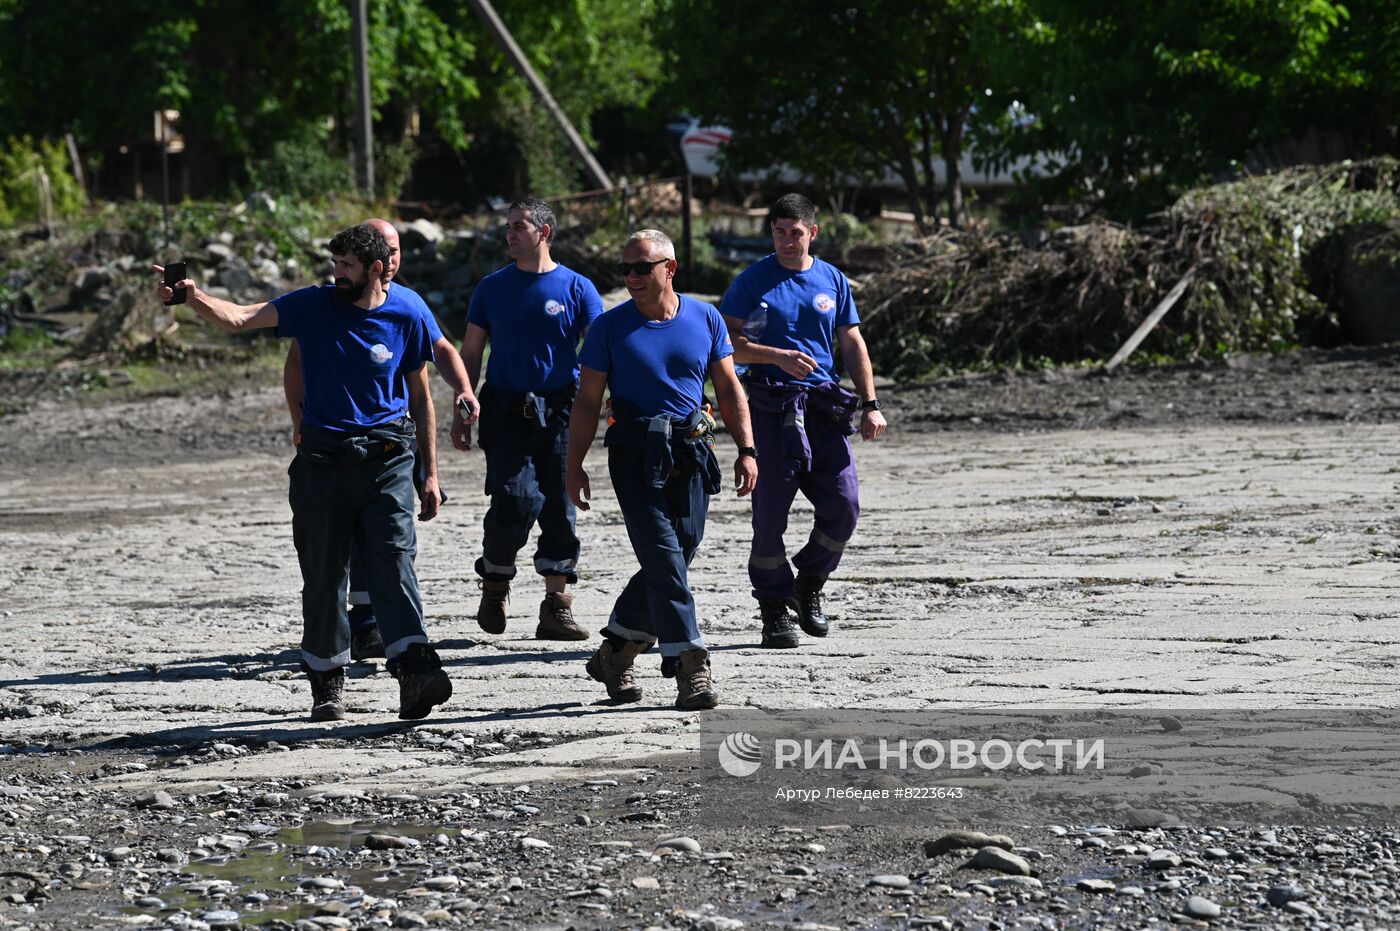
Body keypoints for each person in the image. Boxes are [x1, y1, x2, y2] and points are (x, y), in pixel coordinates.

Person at [153, 223, 454, 722]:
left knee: (394, 561)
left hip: (388, 458)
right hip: (322, 462)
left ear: (376, 269)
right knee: (323, 575)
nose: (336, 274)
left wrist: (430, 473)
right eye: (334, 264)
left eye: (347, 267)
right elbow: (240, 318)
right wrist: (192, 295)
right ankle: (327, 681)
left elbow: (421, 396)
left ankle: (416, 669)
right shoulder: (312, 305)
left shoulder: (409, 310)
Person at [567, 229, 758, 711]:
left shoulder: (706, 317)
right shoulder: (609, 328)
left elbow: (730, 388)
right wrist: (574, 466)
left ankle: (617, 649)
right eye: (624, 269)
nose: (631, 276)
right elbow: (588, 401)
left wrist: (747, 447)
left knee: (679, 549)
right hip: (634, 456)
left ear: (669, 269)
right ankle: (689, 664)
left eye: (641, 267)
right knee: (664, 555)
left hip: (692, 451)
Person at [283, 218, 478, 662]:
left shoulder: (407, 305)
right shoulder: (323, 306)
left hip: (391, 443)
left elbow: (438, 358)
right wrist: (297, 417)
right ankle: (360, 627)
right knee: (339, 549)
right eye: (384, 252)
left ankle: (394, 640)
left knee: (391, 541)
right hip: (329, 445)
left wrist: (464, 389)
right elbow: (295, 365)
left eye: (396, 252)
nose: (390, 261)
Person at [718, 193, 888, 649]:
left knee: (844, 505)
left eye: (796, 233)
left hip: (822, 407)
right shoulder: (753, 281)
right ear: (771, 232)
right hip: (771, 408)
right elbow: (726, 343)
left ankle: (807, 584)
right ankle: (774, 608)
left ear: (812, 232)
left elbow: (851, 341)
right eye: (779, 232)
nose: (788, 241)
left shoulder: (832, 279)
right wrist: (777, 356)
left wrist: (870, 402)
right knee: (769, 514)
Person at [456, 199, 604, 640]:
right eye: (508, 228)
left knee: (560, 507)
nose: (510, 234)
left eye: (519, 227)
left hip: (560, 410)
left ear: (545, 232)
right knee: (514, 500)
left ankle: (557, 607)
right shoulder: (491, 288)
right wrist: (461, 409)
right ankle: (496, 581)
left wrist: (608, 399)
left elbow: (598, 352)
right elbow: (470, 354)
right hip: (506, 410)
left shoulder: (578, 288)